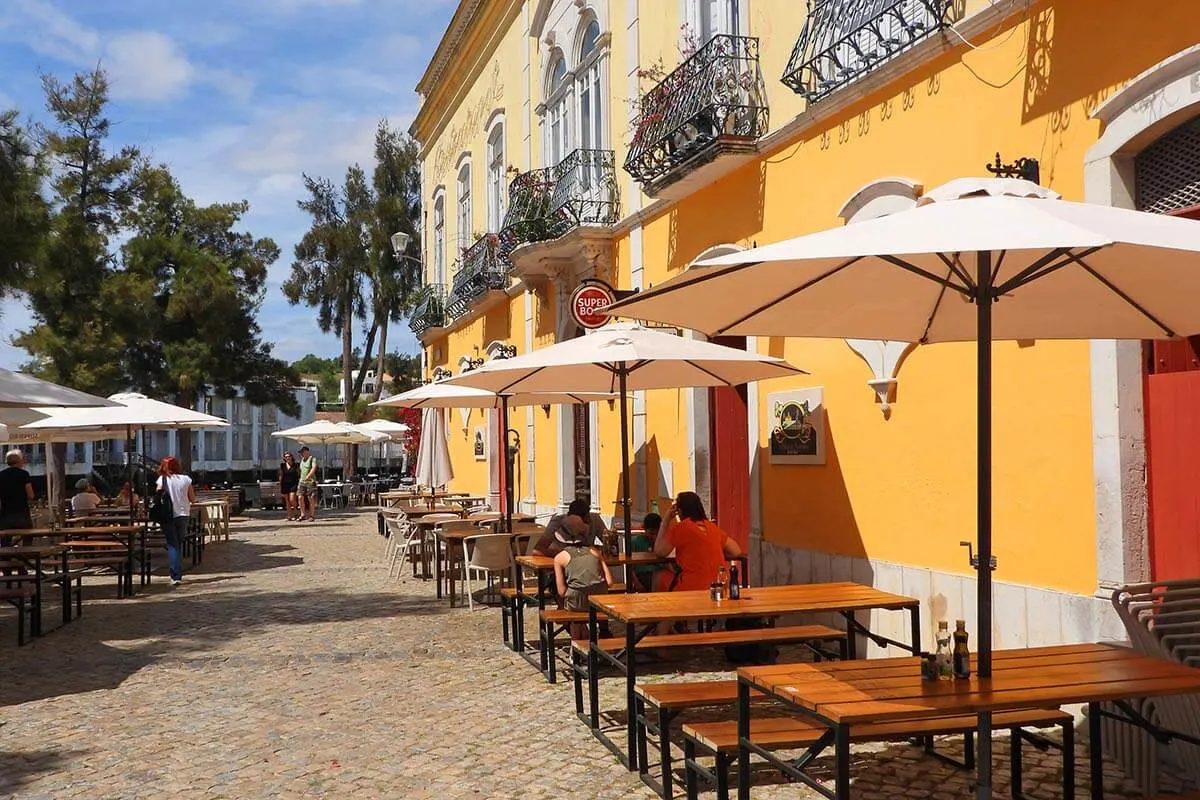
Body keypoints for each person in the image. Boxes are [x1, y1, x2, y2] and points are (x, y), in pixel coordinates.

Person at [653, 491, 743, 592]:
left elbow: (659, 551)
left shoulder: (681, 528)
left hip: (692, 586)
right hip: (719, 586)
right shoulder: (713, 528)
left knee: (658, 576)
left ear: (680, 511)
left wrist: (666, 520)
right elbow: (736, 551)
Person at [553, 526, 613, 640]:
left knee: (573, 609)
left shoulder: (559, 558)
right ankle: (591, 636)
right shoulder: (595, 552)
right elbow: (610, 582)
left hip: (577, 602)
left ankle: (576, 647)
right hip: (599, 601)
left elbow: (561, 591)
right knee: (578, 601)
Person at [156, 456, 196, 587]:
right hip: (183, 514)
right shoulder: (186, 479)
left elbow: (158, 499)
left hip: (167, 515)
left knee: (173, 545)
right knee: (178, 543)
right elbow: (192, 499)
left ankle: (175, 575)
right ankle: (177, 573)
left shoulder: (162, 480)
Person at [533, 498, 609, 555]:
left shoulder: (595, 520)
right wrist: (560, 554)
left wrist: (592, 549)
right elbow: (537, 549)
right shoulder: (557, 522)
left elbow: (609, 544)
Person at [0, 449, 34, 544]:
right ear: (19, 461)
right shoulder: (24, 474)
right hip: (22, 512)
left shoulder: (1, 475)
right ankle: (26, 556)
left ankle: (7, 557)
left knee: (5, 540)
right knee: (28, 535)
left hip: (5, 514)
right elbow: (31, 495)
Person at [629, 512, 663, 593]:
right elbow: (629, 566)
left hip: (658, 574)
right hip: (642, 575)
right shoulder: (636, 541)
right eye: (651, 533)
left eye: (656, 533)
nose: (653, 536)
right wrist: (636, 583)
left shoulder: (662, 542)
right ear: (644, 530)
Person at [297, 446, 318, 521]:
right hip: (302, 482)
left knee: (311, 498)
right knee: (300, 497)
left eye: (302, 452)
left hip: (310, 482)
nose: (301, 454)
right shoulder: (302, 460)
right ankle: (302, 514)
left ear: (307, 452)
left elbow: (314, 468)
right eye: (301, 453)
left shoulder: (312, 459)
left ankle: (312, 515)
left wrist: (308, 476)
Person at [279, 451, 300, 521]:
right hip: (285, 484)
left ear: (292, 457)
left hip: (294, 484)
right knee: (287, 501)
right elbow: (281, 475)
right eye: (286, 457)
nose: (288, 458)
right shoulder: (282, 465)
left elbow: (299, 474)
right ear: (284, 458)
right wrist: (280, 484)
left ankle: (296, 512)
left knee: (292, 499)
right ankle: (289, 515)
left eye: (289, 456)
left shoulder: (296, 465)